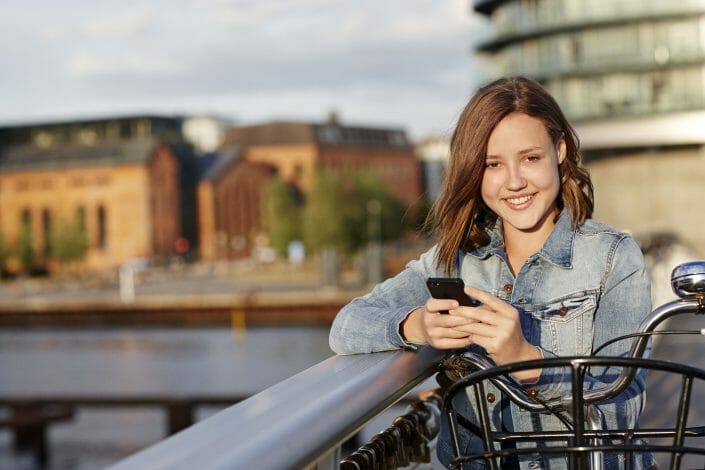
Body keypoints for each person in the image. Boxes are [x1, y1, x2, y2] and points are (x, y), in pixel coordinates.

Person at [329, 77, 654, 469]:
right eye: (492, 164)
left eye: (530, 158)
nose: (514, 181)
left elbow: (623, 410)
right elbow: (346, 326)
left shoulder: (612, 258)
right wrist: (416, 327)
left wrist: (529, 360)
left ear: (560, 151)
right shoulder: (453, 260)